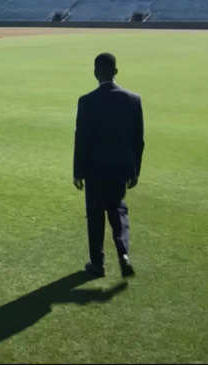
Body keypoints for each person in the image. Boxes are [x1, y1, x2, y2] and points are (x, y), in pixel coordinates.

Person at [73, 53, 144, 278]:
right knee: (117, 210)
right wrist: (135, 170)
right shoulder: (133, 100)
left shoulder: (86, 101)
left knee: (95, 215)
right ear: (115, 71)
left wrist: (78, 172)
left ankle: (97, 264)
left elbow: (81, 139)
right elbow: (138, 140)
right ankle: (123, 253)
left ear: (95, 73)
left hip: (94, 169)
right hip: (120, 168)